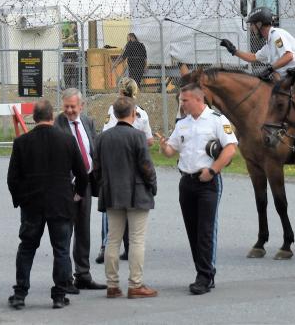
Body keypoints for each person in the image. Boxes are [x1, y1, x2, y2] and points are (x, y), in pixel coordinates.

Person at [7, 99, 88, 310]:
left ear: (34, 118)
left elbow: (12, 178)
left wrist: (20, 200)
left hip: (32, 204)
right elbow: (82, 173)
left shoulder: (22, 143)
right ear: (52, 117)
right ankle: (59, 295)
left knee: (26, 248)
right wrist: (77, 194)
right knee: (61, 250)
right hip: (61, 203)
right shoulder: (67, 141)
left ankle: (20, 293)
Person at [158, 83, 238, 295]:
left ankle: (205, 275)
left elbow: (230, 149)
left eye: (184, 101)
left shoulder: (216, 120)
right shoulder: (183, 124)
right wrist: (164, 146)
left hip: (207, 183)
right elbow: (170, 150)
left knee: (205, 230)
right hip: (186, 182)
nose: (181, 104)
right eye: (181, 101)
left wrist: (212, 171)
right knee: (192, 230)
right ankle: (201, 271)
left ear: (198, 100)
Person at [220, 7, 295, 156]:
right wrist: (234, 51)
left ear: (260, 24)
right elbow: (253, 57)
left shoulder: (277, 35)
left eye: (252, 25)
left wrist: (270, 69)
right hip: (289, 78)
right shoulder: (268, 44)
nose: (252, 29)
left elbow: (288, 56)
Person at [93, 96, 158, 299]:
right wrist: (152, 186)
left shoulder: (102, 138)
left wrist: (103, 184)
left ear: (114, 113)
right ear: (133, 114)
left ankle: (112, 284)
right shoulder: (138, 137)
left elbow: (96, 168)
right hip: (137, 192)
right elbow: (146, 166)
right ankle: (135, 284)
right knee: (137, 239)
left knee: (113, 239)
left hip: (112, 192)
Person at [54, 88, 105, 291]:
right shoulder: (57, 126)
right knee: (65, 232)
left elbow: (93, 150)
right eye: (66, 106)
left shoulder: (87, 122)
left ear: (81, 106)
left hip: (86, 184)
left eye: (73, 106)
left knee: (83, 231)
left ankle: (83, 275)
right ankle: (65, 278)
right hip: (66, 187)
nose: (69, 110)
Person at [97, 77, 153, 264]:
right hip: (135, 167)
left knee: (111, 210)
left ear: (121, 92)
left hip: (114, 163)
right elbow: (149, 141)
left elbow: (105, 134)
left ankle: (105, 246)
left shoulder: (114, 110)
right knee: (133, 210)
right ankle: (129, 249)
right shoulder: (142, 114)